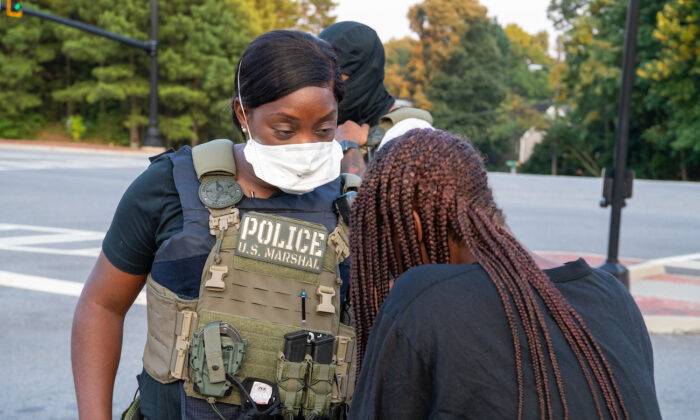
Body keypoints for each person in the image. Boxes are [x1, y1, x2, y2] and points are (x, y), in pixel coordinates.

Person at [72, 30, 358, 420]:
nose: (304, 145)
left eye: (324, 129)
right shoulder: (170, 187)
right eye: (285, 130)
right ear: (243, 113)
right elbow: (101, 305)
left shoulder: (351, 205)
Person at [347, 129, 661, 419]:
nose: (390, 272)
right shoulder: (613, 295)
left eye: (386, 254)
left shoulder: (424, 298)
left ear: (414, 226)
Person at [319, 21, 433, 175]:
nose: (325, 92)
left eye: (337, 81)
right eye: (318, 81)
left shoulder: (413, 138)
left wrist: (349, 147)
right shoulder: (322, 133)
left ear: (364, 77)